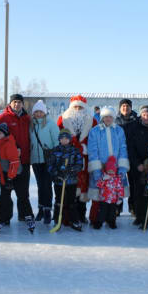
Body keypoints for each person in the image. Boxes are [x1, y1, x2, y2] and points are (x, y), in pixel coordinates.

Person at [87, 106, 130, 228]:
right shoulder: (95, 131)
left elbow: (123, 148)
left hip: (115, 169)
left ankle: (111, 219)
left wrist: (122, 168)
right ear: (102, 118)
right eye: (105, 116)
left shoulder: (119, 130)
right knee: (99, 196)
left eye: (110, 116)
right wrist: (96, 170)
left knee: (114, 196)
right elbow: (93, 150)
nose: (108, 119)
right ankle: (97, 219)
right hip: (100, 168)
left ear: (114, 118)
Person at [57, 95, 96, 224]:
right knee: (69, 185)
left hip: (85, 157)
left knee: (83, 185)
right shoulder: (62, 120)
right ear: (71, 107)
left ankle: (81, 214)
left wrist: (87, 147)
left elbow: (95, 138)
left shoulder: (92, 121)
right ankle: (67, 216)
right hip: (69, 157)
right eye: (75, 106)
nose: (78, 109)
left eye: (80, 107)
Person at [0, 94, 33, 221]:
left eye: (19, 102)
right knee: (6, 191)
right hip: (7, 161)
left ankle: (24, 215)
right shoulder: (2, 117)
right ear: (10, 103)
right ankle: (4, 217)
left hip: (24, 159)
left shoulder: (27, 118)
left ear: (23, 104)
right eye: (14, 102)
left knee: (23, 191)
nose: (17, 104)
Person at [0, 123, 36, 233]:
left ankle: (29, 216)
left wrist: (10, 178)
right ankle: (2, 219)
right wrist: (4, 178)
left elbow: (15, 162)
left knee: (22, 196)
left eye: (0, 133)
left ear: (5, 134)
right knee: (4, 198)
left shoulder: (8, 143)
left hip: (16, 175)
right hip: (7, 175)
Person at [48, 129, 84, 231]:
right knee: (59, 200)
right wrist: (57, 173)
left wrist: (71, 170)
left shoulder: (74, 150)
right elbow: (50, 165)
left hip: (71, 181)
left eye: (66, 138)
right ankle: (57, 219)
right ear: (59, 139)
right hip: (59, 182)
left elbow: (79, 164)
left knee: (71, 201)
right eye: (62, 138)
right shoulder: (55, 151)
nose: (64, 140)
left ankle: (74, 220)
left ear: (69, 139)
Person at [30, 100, 59, 224]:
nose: (38, 113)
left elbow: (57, 141)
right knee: (40, 185)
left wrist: (56, 157)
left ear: (44, 112)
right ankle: (41, 209)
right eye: (36, 111)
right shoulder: (31, 125)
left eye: (40, 111)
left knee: (47, 185)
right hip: (36, 160)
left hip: (48, 160)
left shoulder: (51, 124)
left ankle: (47, 210)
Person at [115, 98, 138, 216]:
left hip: (133, 155)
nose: (125, 108)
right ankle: (117, 207)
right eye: (123, 106)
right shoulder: (115, 121)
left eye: (127, 106)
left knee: (134, 183)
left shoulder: (137, 120)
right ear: (120, 108)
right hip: (119, 157)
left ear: (131, 108)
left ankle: (133, 207)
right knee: (118, 182)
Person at [94, 156, 125, 229]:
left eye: (112, 170)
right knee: (102, 212)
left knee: (112, 213)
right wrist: (103, 179)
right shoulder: (104, 177)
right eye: (109, 170)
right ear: (106, 170)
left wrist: (120, 198)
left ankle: (112, 222)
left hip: (113, 200)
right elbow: (98, 185)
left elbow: (120, 188)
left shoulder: (117, 179)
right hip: (104, 199)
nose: (111, 172)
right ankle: (99, 222)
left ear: (115, 170)